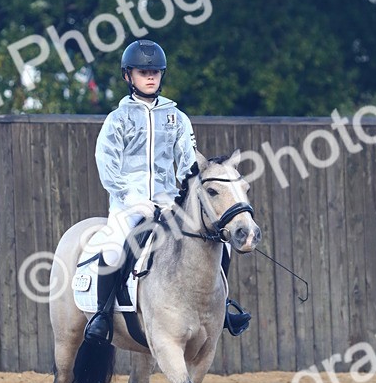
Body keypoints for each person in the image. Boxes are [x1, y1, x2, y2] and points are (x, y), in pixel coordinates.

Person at [82, 38, 250, 341]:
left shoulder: (177, 119)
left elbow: (189, 166)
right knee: (113, 244)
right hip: (127, 203)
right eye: (142, 72)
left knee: (219, 242)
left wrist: (186, 198)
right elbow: (107, 165)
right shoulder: (117, 120)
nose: (150, 77)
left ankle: (222, 307)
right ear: (128, 76)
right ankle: (102, 316)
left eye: (155, 72)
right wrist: (132, 200)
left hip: (167, 201)